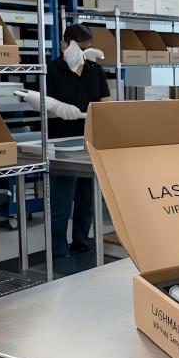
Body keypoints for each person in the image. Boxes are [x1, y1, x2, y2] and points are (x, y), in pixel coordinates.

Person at [46, 24, 111, 258]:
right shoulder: (52, 69)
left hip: (89, 142)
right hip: (62, 144)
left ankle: (81, 244)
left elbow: (105, 102)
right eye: (80, 48)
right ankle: (57, 250)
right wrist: (60, 110)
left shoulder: (95, 70)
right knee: (62, 204)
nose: (84, 53)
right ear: (66, 44)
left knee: (86, 202)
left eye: (88, 48)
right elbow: (44, 107)